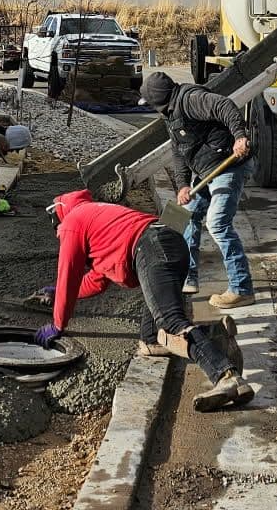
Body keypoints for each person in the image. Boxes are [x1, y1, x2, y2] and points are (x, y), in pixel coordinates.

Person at [33, 189, 254, 411]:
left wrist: (58, 324)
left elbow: (68, 275)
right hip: (169, 242)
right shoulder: (96, 216)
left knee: (173, 323)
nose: (59, 236)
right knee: (150, 342)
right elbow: (97, 280)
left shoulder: (72, 222)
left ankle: (226, 376)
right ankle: (215, 335)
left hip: (151, 249)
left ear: (59, 217)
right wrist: (57, 291)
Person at [140, 72, 255, 308]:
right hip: (205, 172)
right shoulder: (170, 114)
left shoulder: (191, 99)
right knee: (180, 217)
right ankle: (187, 277)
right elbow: (178, 151)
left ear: (159, 98)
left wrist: (239, 136)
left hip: (229, 166)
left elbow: (225, 105)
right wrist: (182, 185)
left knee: (217, 223)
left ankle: (241, 288)